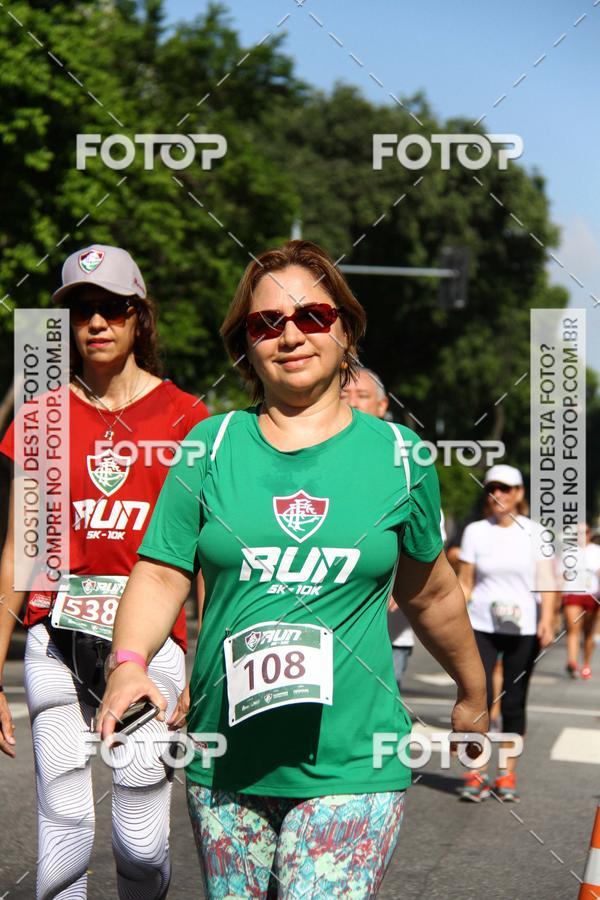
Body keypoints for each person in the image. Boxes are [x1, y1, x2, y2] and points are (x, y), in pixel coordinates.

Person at [98, 239, 487, 899]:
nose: (290, 334)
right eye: (266, 322)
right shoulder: (210, 446)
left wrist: (474, 693)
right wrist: (129, 661)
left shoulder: (400, 456)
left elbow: (433, 593)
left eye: (312, 315)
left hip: (354, 763)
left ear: (346, 330)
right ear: (245, 344)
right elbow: (163, 571)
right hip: (226, 759)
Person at [0, 244, 209, 898]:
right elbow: (18, 549)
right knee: (63, 826)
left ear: (138, 318)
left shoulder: (188, 418)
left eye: (112, 309)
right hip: (53, 638)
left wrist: (205, 668)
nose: (96, 322)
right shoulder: (41, 416)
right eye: (82, 310)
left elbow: (207, 555)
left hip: (149, 648)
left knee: (141, 841)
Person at [457, 464, 557, 802]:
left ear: (518, 494)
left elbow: (547, 580)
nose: (498, 494)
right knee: (478, 697)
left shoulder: (536, 532)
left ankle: (506, 773)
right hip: (481, 624)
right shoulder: (474, 532)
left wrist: (548, 620)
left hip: (523, 627)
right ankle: (475, 771)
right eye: (492, 488)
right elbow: (465, 582)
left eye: (505, 489)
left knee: (514, 702)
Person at [342, 367, 415, 687]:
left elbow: (426, 541)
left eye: (363, 396)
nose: (353, 403)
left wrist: (399, 577)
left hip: (386, 629)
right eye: (345, 396)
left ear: (383, 405)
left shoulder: (403, 456)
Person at [562, 523, 600, 679]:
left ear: (589, 533)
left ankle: (585, 663)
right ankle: (572, 663)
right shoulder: (568, 552)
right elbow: (560, 575)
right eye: (577, 532)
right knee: (573, 628)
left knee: (588, 632)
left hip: (592, 595)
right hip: (573, 594)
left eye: (584, 532)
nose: (581, 535)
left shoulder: (596, 551)